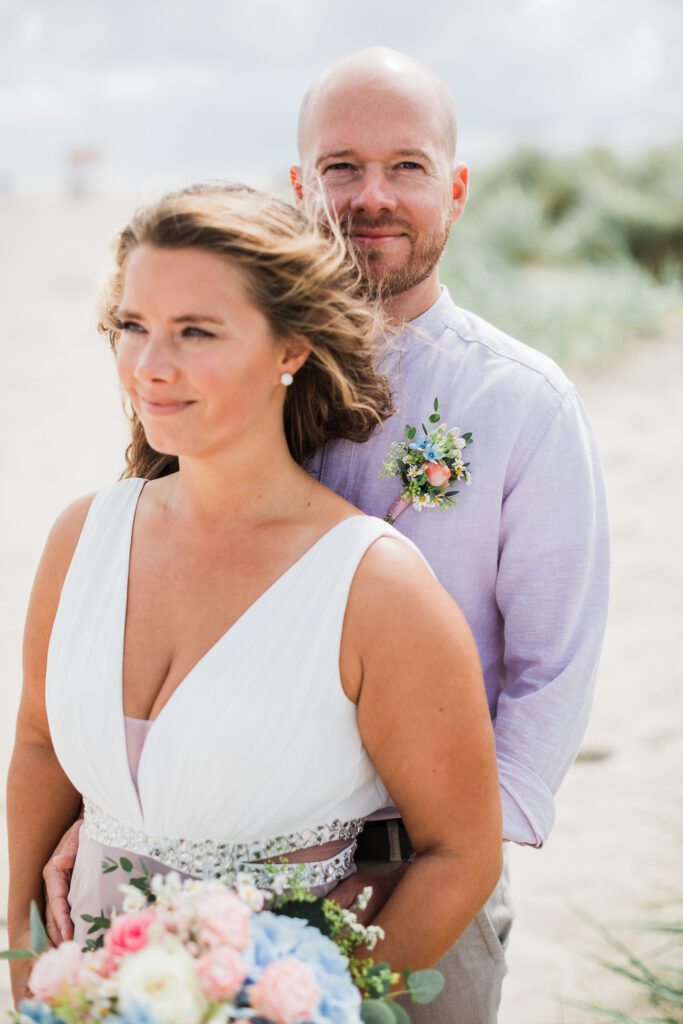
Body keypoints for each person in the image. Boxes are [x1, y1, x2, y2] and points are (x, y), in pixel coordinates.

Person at [42, 46, 610, 1022]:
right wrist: (107, 813)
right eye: (341, 167)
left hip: (412, 871)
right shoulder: (226, 362)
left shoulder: (521, 404)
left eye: (407, 167)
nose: (371, 196)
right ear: (300, 185)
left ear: (457, 189)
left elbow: (551, 672)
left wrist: (434, 866)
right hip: (193, 853)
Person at [6, 184, 503, 1005]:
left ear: (290, 349)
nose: (149, 366)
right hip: (82, 997)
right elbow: (36, 745)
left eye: (195, 332)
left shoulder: (372, 587)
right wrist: (27, 966)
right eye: (133, 327)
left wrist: (326, 1003)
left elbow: (462, 853)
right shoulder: (82, 536)